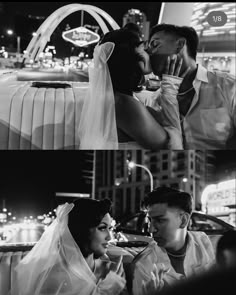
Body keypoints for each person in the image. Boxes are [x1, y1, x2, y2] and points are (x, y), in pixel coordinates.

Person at [78, 28, 189, 150]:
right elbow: (171, 144)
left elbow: (168, 120)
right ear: (128, 58)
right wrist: (170, 90)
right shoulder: (124, 105)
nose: (150, 53)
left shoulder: (120, 99)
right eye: (144, 49)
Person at [141, 23, 236, 149]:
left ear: (180, 44)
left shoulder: (228, 86)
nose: (149, 53)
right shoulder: (154, 101)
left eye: (155, 44)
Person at [10, 199, 126, 295]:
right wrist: (108, 288)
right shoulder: (54, 279)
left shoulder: (113, 265)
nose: (109, 237)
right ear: (81, 230)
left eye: (110, 228)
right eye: (102, 228)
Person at [131, 186, 215, 295]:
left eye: (160, 220)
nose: (151, 229)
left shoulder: (205, 243)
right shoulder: (144, 264)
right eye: (150, 221)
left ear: (183, 220)